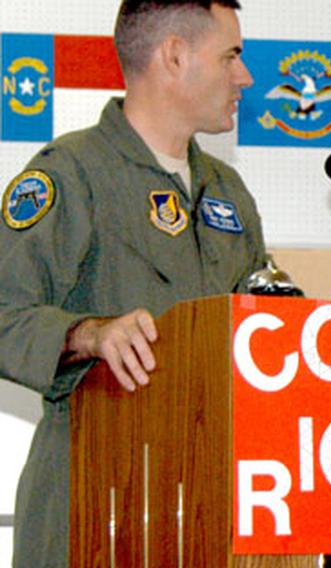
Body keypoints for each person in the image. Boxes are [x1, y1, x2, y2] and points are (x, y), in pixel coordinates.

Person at [0, 1, 267, 565]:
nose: (244, 75)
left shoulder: (228, 192)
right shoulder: (71, 173)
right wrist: (86, 334)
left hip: (205, 508)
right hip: (89, 502)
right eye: (231, 56)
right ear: (174, 55)